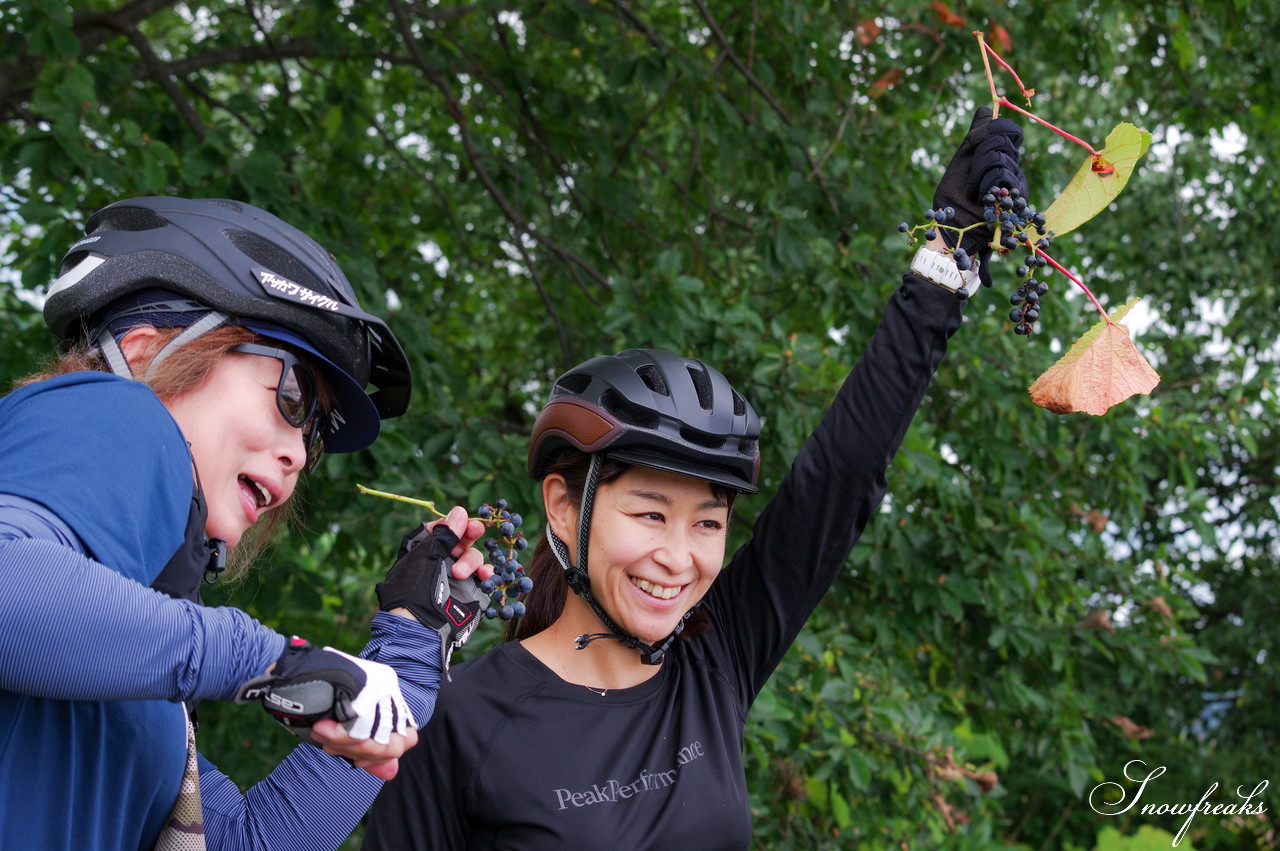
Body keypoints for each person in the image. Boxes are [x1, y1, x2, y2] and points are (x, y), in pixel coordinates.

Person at [361, 107, 1027, 849]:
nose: (680, 557)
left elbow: (843, 475)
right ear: (561, 505)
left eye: (707, 522)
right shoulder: (459, 715)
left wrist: (950, 256)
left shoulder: (714, 659)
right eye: (650, 513)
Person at [0, 196, 486, 851]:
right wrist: (269, 661)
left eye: (313, 436)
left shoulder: (140, 680)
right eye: (292, 395)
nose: (298, 455)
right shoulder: (119, 410)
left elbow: (244, 843)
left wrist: (412, 653)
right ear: (147, 352)